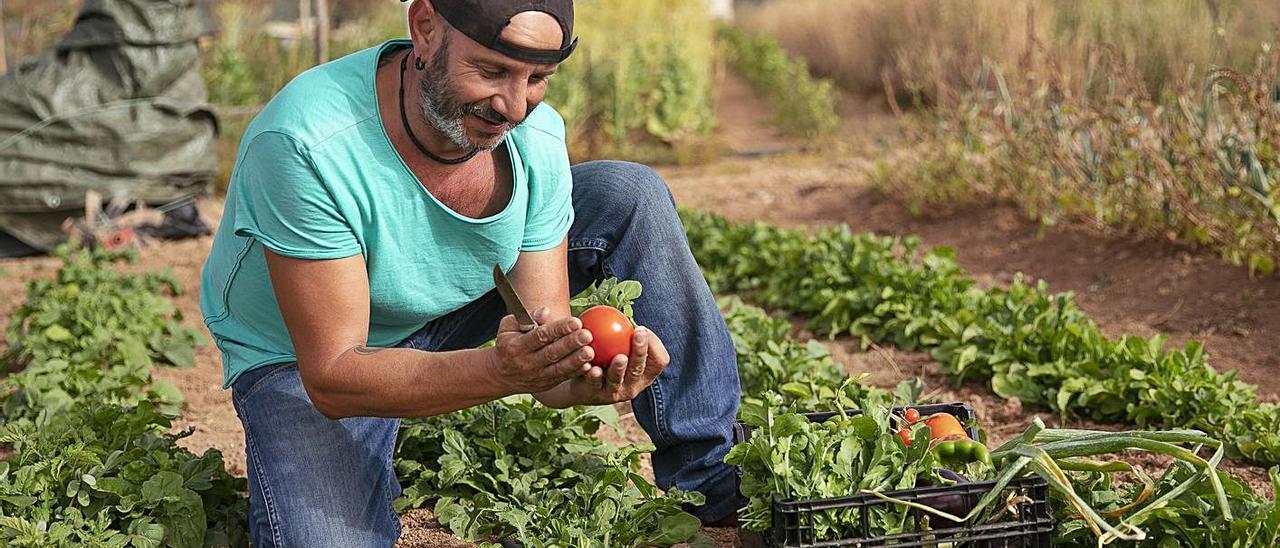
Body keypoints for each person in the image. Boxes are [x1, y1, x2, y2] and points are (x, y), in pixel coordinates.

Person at [198, 0, 742, 545]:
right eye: (491, 70)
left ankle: (712, 480)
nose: (514, 106)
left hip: (449, 305)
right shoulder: (307, 142)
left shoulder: (536, 136)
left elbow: (540, 336)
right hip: (308, 354)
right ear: (426, 28)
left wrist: (562, 368)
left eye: (537, 78)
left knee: (630, 194)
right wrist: (503, 373)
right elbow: (335, 378)